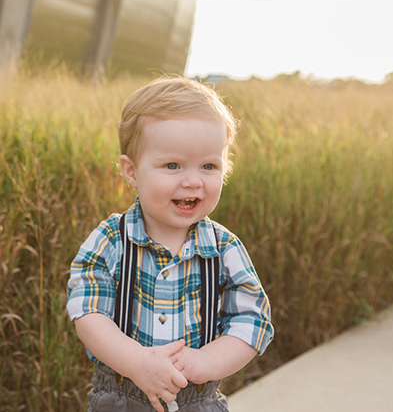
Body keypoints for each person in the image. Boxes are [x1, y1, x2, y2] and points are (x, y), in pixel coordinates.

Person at [67, 77, 274, 411]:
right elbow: (86, 310)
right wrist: (136, 362)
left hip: (197, 399)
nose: (192, 180)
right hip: (122, 397)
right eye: (172, 165)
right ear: (131, 171)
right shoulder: (112, 239)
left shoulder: (225, 248)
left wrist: (206, 361)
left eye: (209, 165)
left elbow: (253, 320)